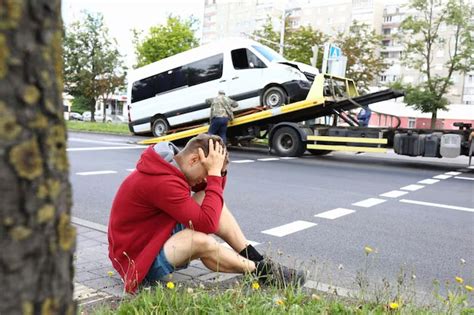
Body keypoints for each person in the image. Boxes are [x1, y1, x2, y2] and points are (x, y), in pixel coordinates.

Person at [108, 133, 305, 293]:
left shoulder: (170, 167)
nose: (206, 177)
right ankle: (263, 272)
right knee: (202, 241)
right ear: (194, 160)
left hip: (153, 238)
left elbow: (212, 199)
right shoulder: (163, 181)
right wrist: (213, 175)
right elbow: (207, 224)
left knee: (206, 197)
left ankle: (255, 258)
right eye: (207, 171)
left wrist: (217, 172)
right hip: (137, 260)